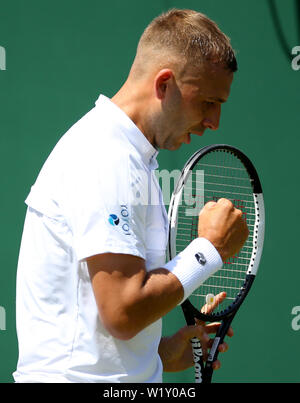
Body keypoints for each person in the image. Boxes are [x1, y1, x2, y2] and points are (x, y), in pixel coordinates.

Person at [13, 9, 248, 383]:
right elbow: (122, 312)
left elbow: (104, 319)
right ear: (165, 84)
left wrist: (157, 355)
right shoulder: (106, 156)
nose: (214, 122)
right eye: (207, 102)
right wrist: (209, 250)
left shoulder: (129, 157)